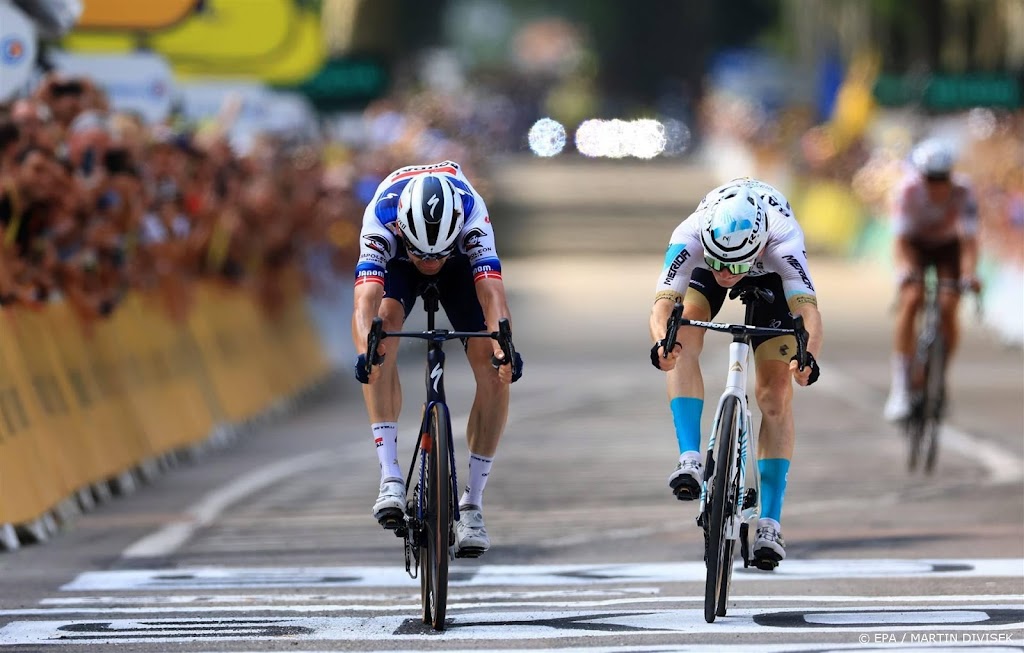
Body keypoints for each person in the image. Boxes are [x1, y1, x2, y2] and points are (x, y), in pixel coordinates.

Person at [648, 178, 823, 569]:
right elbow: (662, 303)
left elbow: (808, 313)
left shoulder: (783, 240)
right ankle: (691, 456)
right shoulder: (691, 232)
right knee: (683, 333)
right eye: (719, 265)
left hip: (769, 278)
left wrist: (808, 358)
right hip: (715, 258)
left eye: (735, 267)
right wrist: (663, 342)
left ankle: (770, 522)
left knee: (774, 395)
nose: (727, 274)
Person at [351, 160, 522, 557]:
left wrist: (504, 347)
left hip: (460, 265)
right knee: (382, 334)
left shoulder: (471, 214)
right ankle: (390, 476)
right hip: (398, 264)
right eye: (422, 255)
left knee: (495, 367)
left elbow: (493, 295)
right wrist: (365, 350)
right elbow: (365, 301)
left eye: (436, 256)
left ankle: (472, 504)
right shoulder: (382, 218)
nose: (429, 265)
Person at [883, 139, 980, 422]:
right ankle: (900, 385)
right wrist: (904, 270)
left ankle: (939, 376)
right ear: (920, 176)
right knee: (912, 298)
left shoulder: (964, 191)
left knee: (949, 305)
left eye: (942, 179)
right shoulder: (907, 190)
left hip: (948, 247)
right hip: (916, 246)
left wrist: (969, 273)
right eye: (930, 179)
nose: (936, 186)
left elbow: (970, 242)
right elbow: (900, 241)